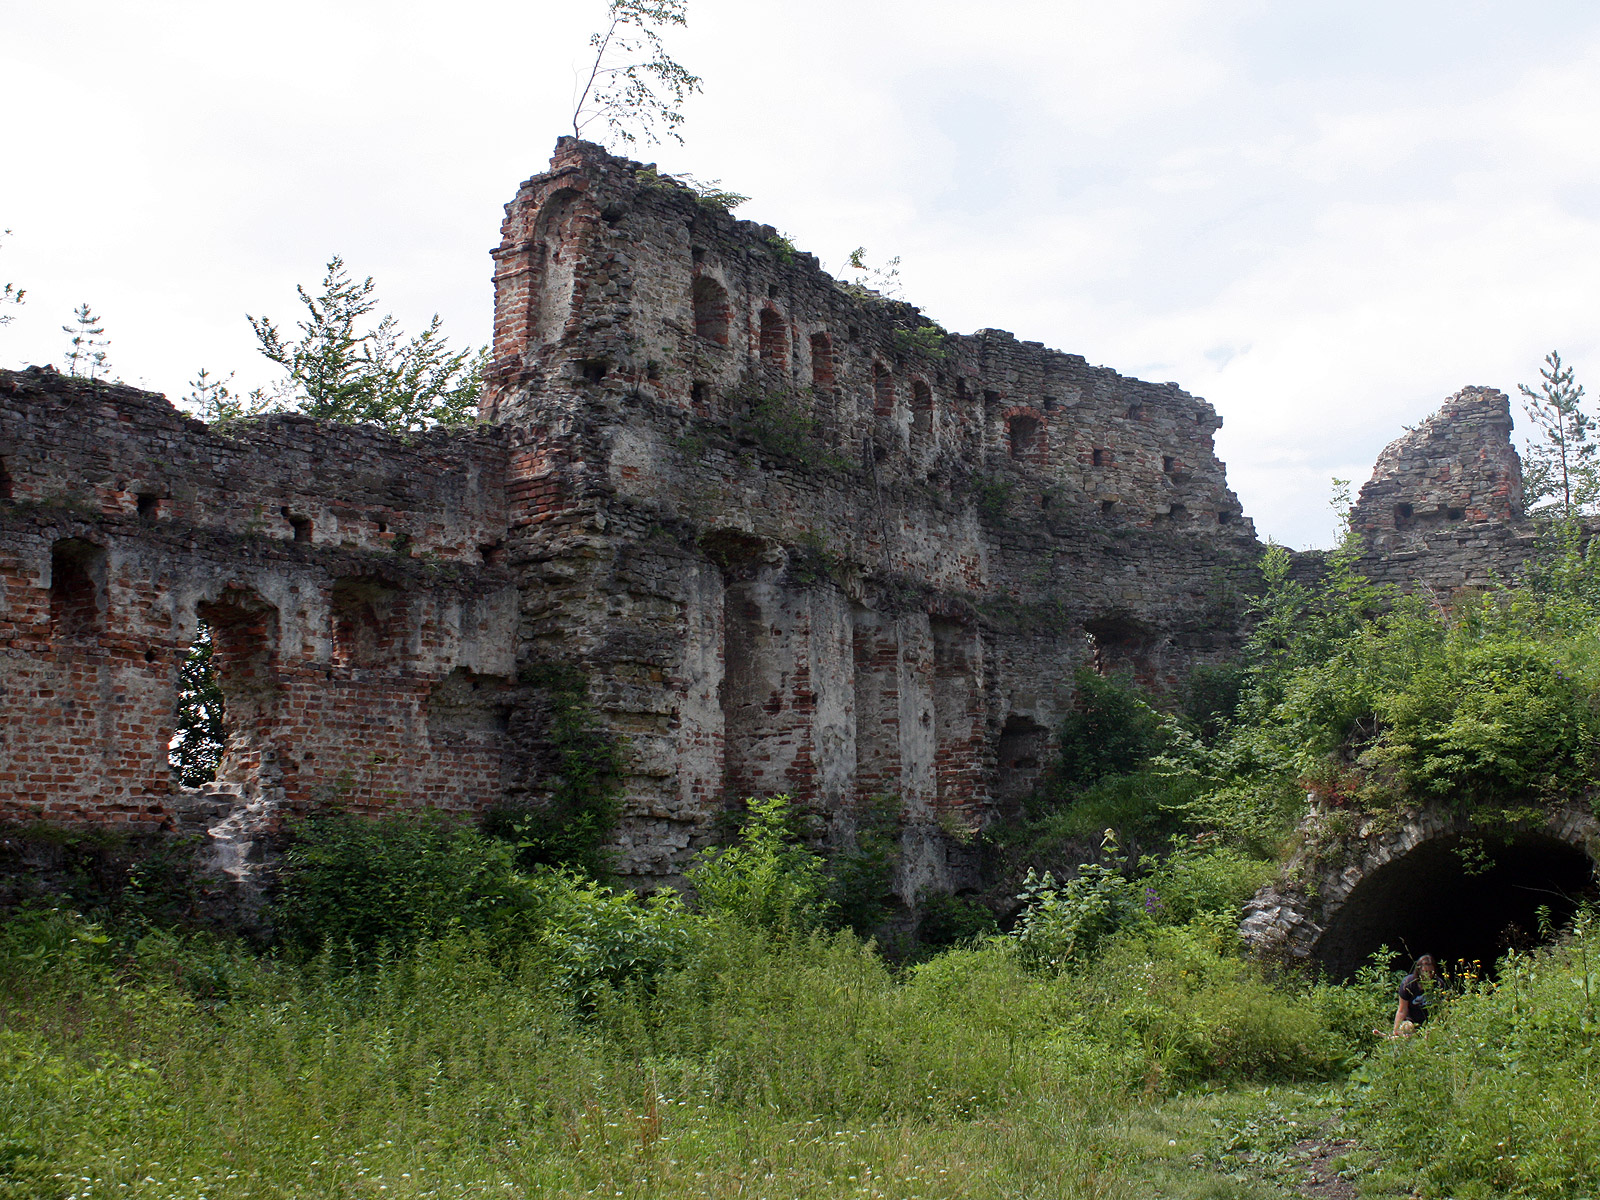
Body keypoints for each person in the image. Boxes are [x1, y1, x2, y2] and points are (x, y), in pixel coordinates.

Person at [1393, 954, 1436, 1036]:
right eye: (1425, 972)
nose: (1429, 975)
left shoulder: (1438, 984)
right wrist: (1396, 1030)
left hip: (1431, 1022)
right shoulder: (1408, 983)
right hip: (1411, 1022)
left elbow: (1443, 1008)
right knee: (1407, 1028)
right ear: (1419, 970)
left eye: (1431, 972)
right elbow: (1402, 1010)